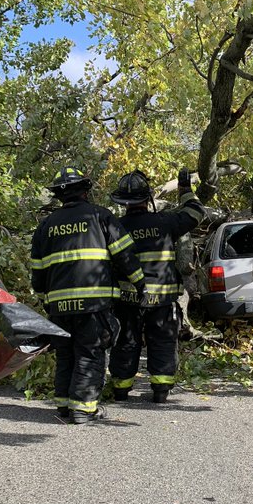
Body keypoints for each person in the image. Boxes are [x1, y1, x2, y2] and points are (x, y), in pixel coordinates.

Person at [31, 167, 146, 424]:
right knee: (90, 352)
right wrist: (140, 284)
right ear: (85, 191)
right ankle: (83, 408)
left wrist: (43, 297)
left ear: (59, 196)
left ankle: (63, 404)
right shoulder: (100, 216)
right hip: (95, 303)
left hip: (59, 307)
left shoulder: (45, 226)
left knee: (66, 354)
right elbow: (125, 256)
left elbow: (37, 272)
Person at [108, 168, 208, 403]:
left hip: (127, 300)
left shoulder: (114, 227)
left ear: (123, 202)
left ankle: (121, 389)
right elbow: (197, 212)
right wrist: (185, 191)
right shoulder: (165, 222)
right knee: (162, 340)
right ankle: (161, 390)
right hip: (162, 299)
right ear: (148, 198)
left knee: (125, 341)